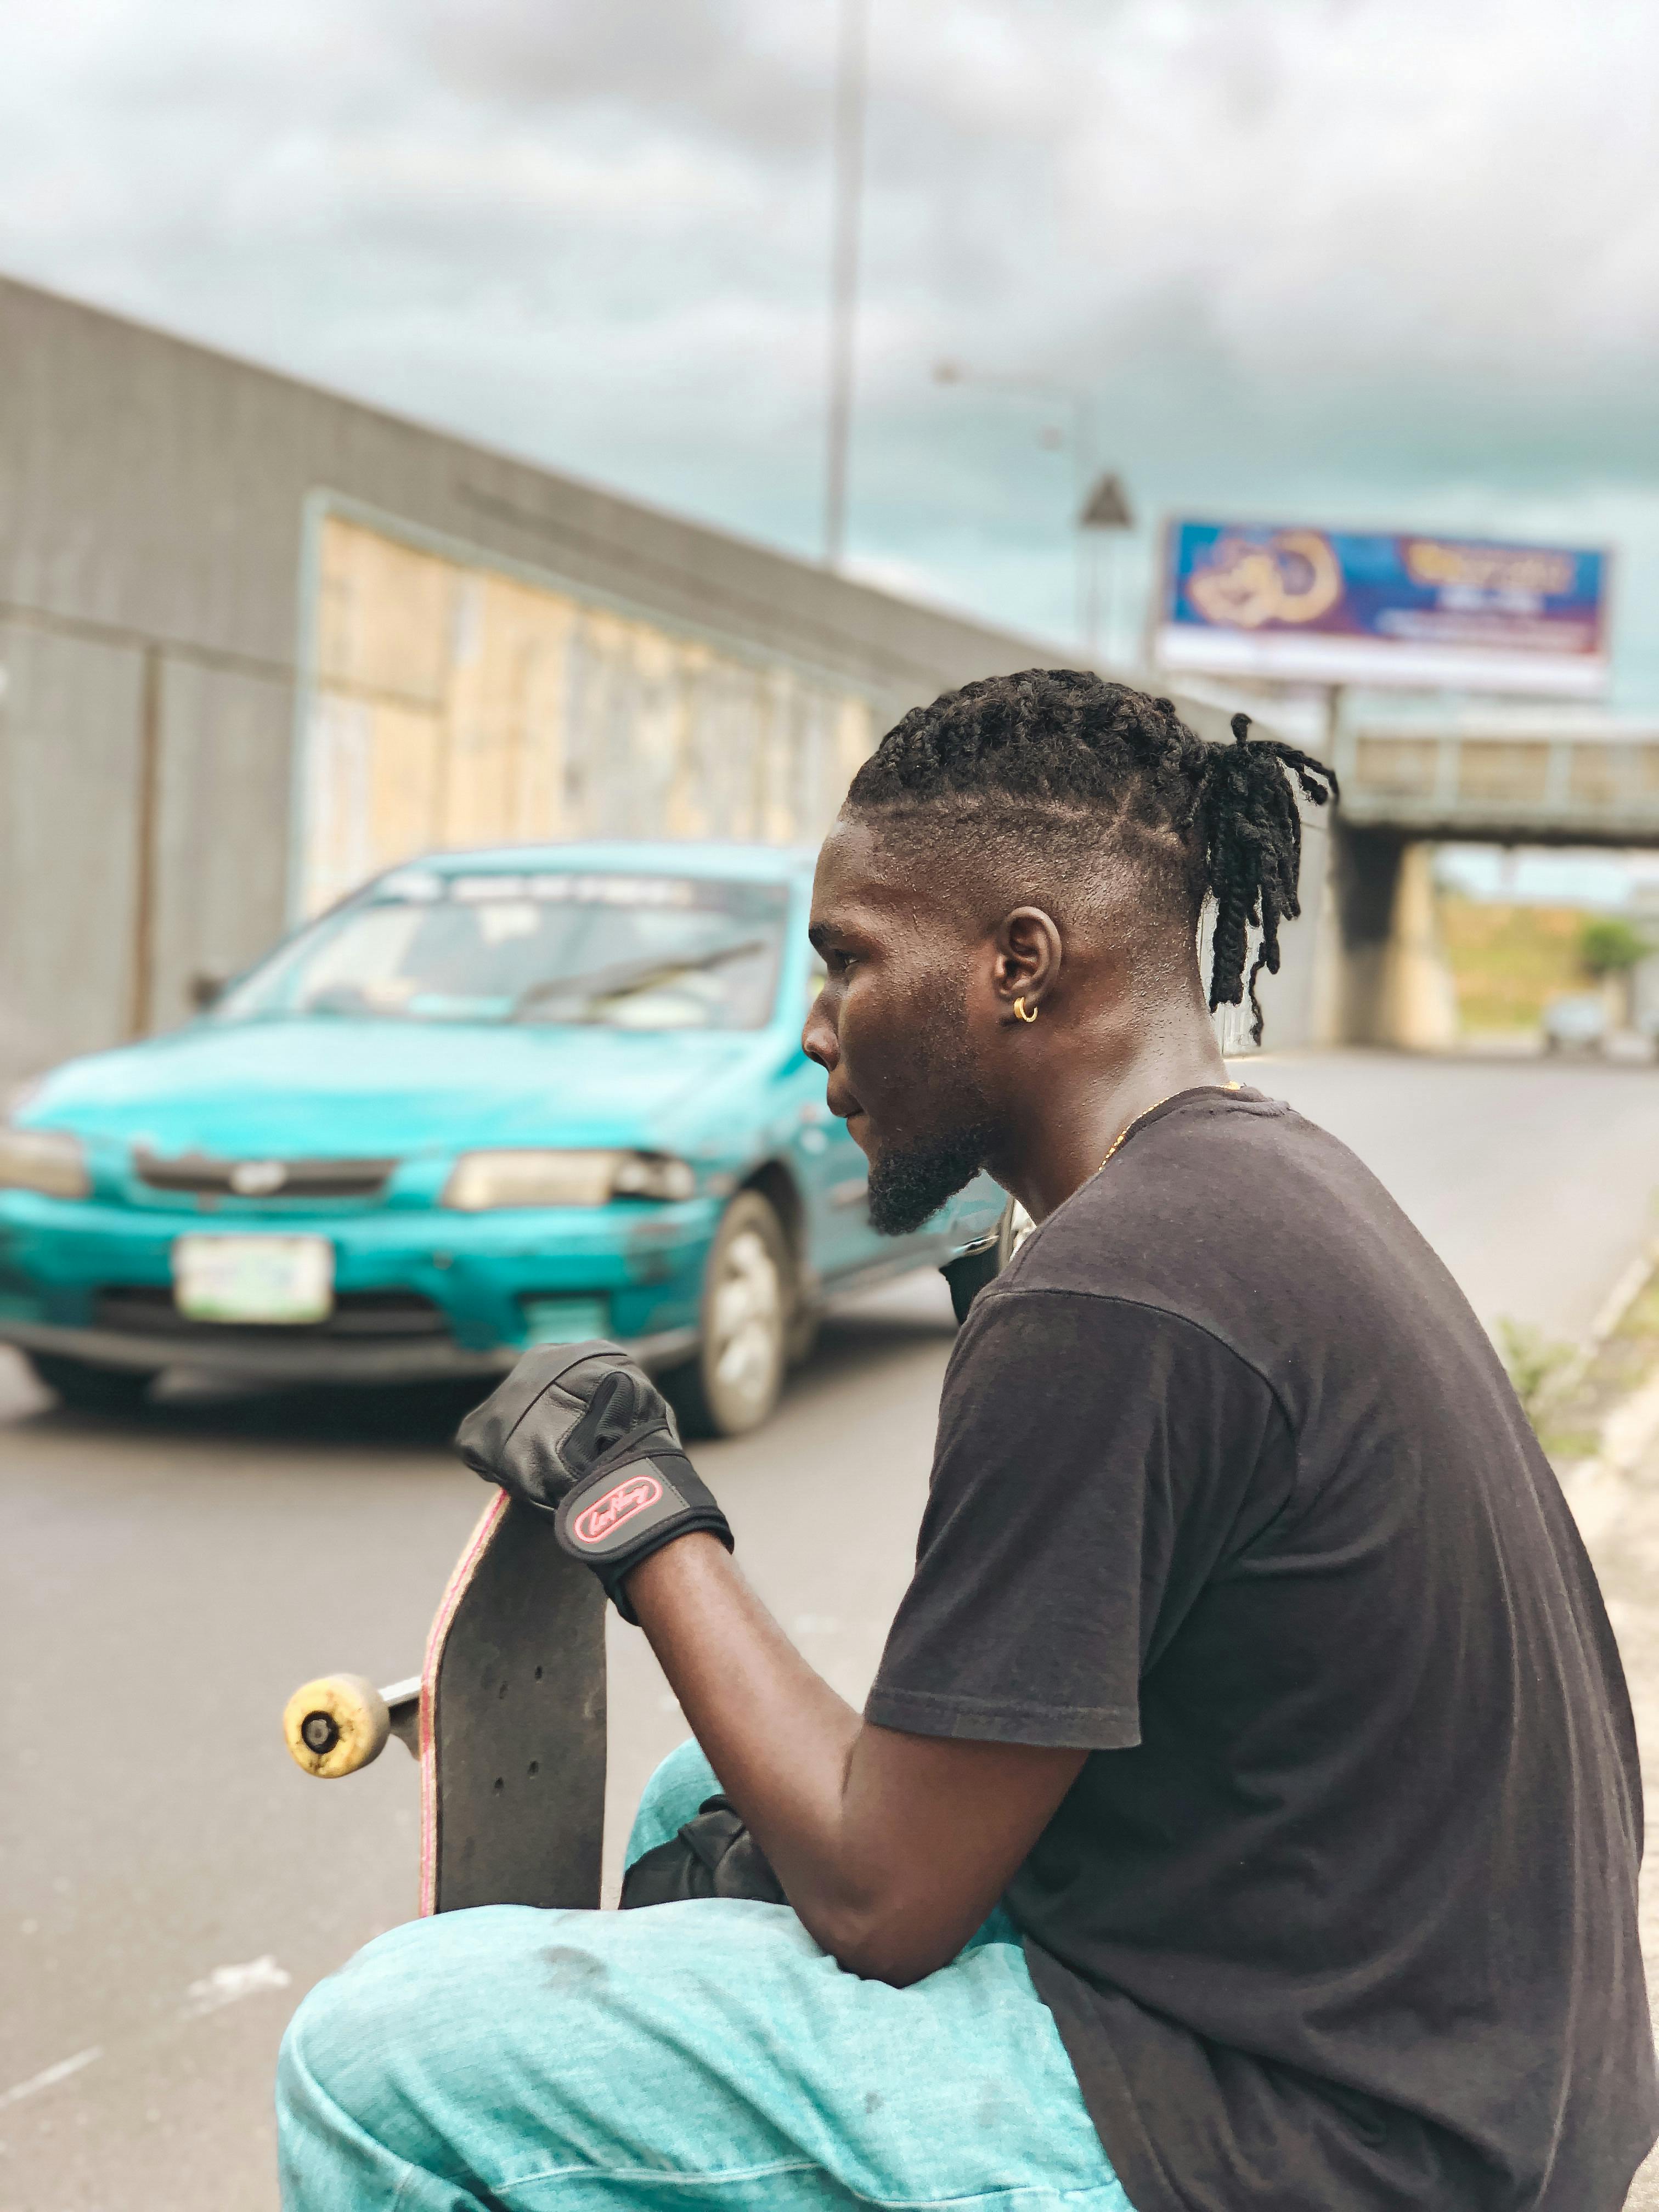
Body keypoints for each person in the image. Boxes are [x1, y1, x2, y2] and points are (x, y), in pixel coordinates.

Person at [277, 672, 1657, 2211]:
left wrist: (633, 1508)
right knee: (695, 1815)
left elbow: (885, 1900)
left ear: (1020, 964)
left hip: (1329, 2144)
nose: (815, 1031)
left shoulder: (1118, 1293)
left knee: (377, 2057)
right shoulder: (1262, 1178)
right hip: (1475, 2073)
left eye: (848, 961)